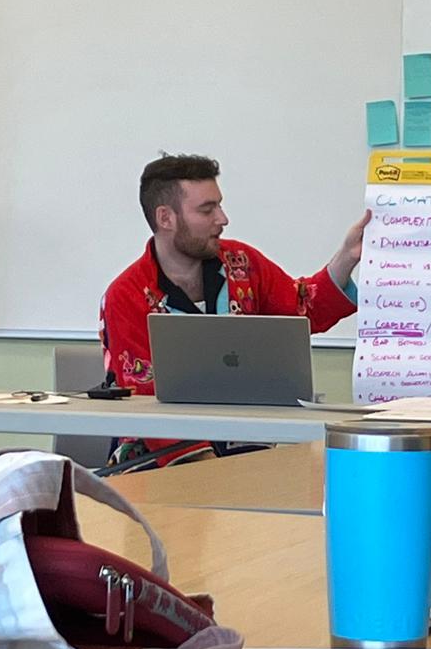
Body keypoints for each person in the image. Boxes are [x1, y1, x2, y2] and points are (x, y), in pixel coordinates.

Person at [98, 154, 368, 463]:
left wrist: (348, 256)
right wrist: (215, 476)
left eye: (219, 205)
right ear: (165, 218)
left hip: (247, 446)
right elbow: (145, 406)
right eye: (207, 209)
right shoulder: (126, 295)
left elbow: (303, 309)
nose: (222, 219)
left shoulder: (243, 263)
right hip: (160, 461)